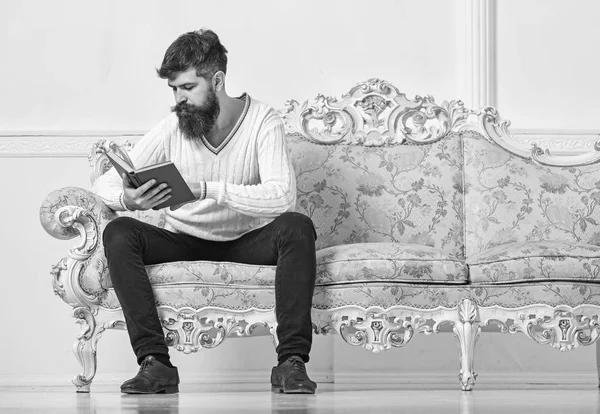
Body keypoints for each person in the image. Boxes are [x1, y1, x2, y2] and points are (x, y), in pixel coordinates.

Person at [93, 29, 317, 395]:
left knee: (297, 226)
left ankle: (291, 363)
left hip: (247, 242)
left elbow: (281, 197)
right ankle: (155, 363)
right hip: (182, 239)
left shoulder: (264, 121)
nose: (178, 99)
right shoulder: (172, 127)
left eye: (187, 88)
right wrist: (128, 199)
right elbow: (104, 183)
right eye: (174, 89)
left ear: (217, 80)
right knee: (119, 233)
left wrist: (207, 190)